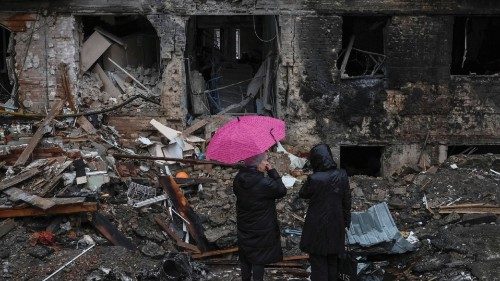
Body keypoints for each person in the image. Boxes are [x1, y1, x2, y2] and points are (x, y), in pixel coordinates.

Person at [299, 144, 352, 281]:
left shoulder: (315, 178)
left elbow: (303, 194)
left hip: (317, 226)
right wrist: (346, 222)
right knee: (333, 261)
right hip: (336, 224)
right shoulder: (342, 175)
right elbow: (347, 201)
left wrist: (310, 178)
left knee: (318, 263)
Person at [233, 152, 287, 281]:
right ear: (258, 164)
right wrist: (272, 171)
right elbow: (281, 190)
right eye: (265, 161)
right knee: (259, 260)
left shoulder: (238, 178)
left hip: (244, 225)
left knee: (245, 257)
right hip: (261, 227)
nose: (267, 163)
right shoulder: (264, 183)